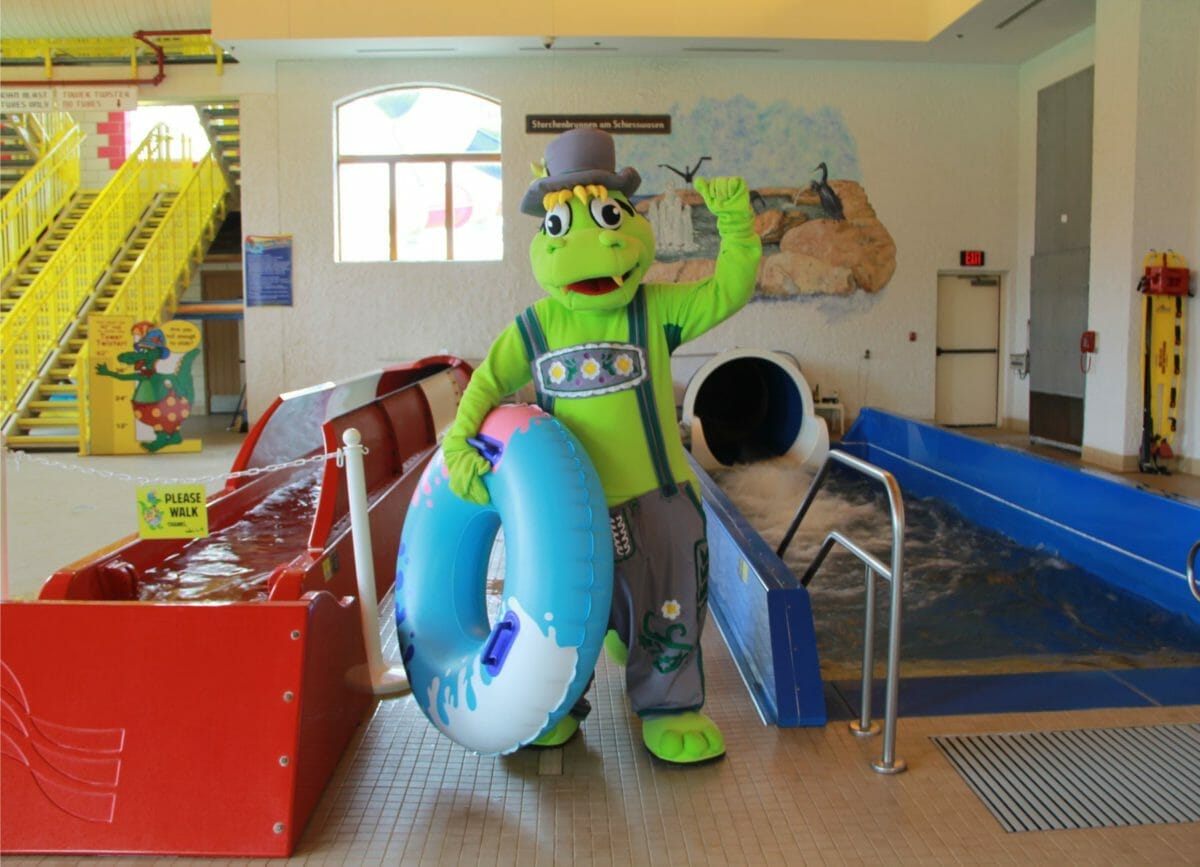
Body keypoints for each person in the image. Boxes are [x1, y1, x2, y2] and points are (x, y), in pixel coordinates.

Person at [443, 127, 761, 763]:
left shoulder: (655, 311)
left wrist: (736, 224)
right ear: (544, 235)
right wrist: (460, 441)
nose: (595, 242)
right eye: (565, 225)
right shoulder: (536, 326)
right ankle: (558, 702)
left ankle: (669, 708)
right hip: (570, 510)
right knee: (563, 609)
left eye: (611, 217)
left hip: (660, 499)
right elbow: (486, 382)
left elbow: (729, 289)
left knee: (669, 605)